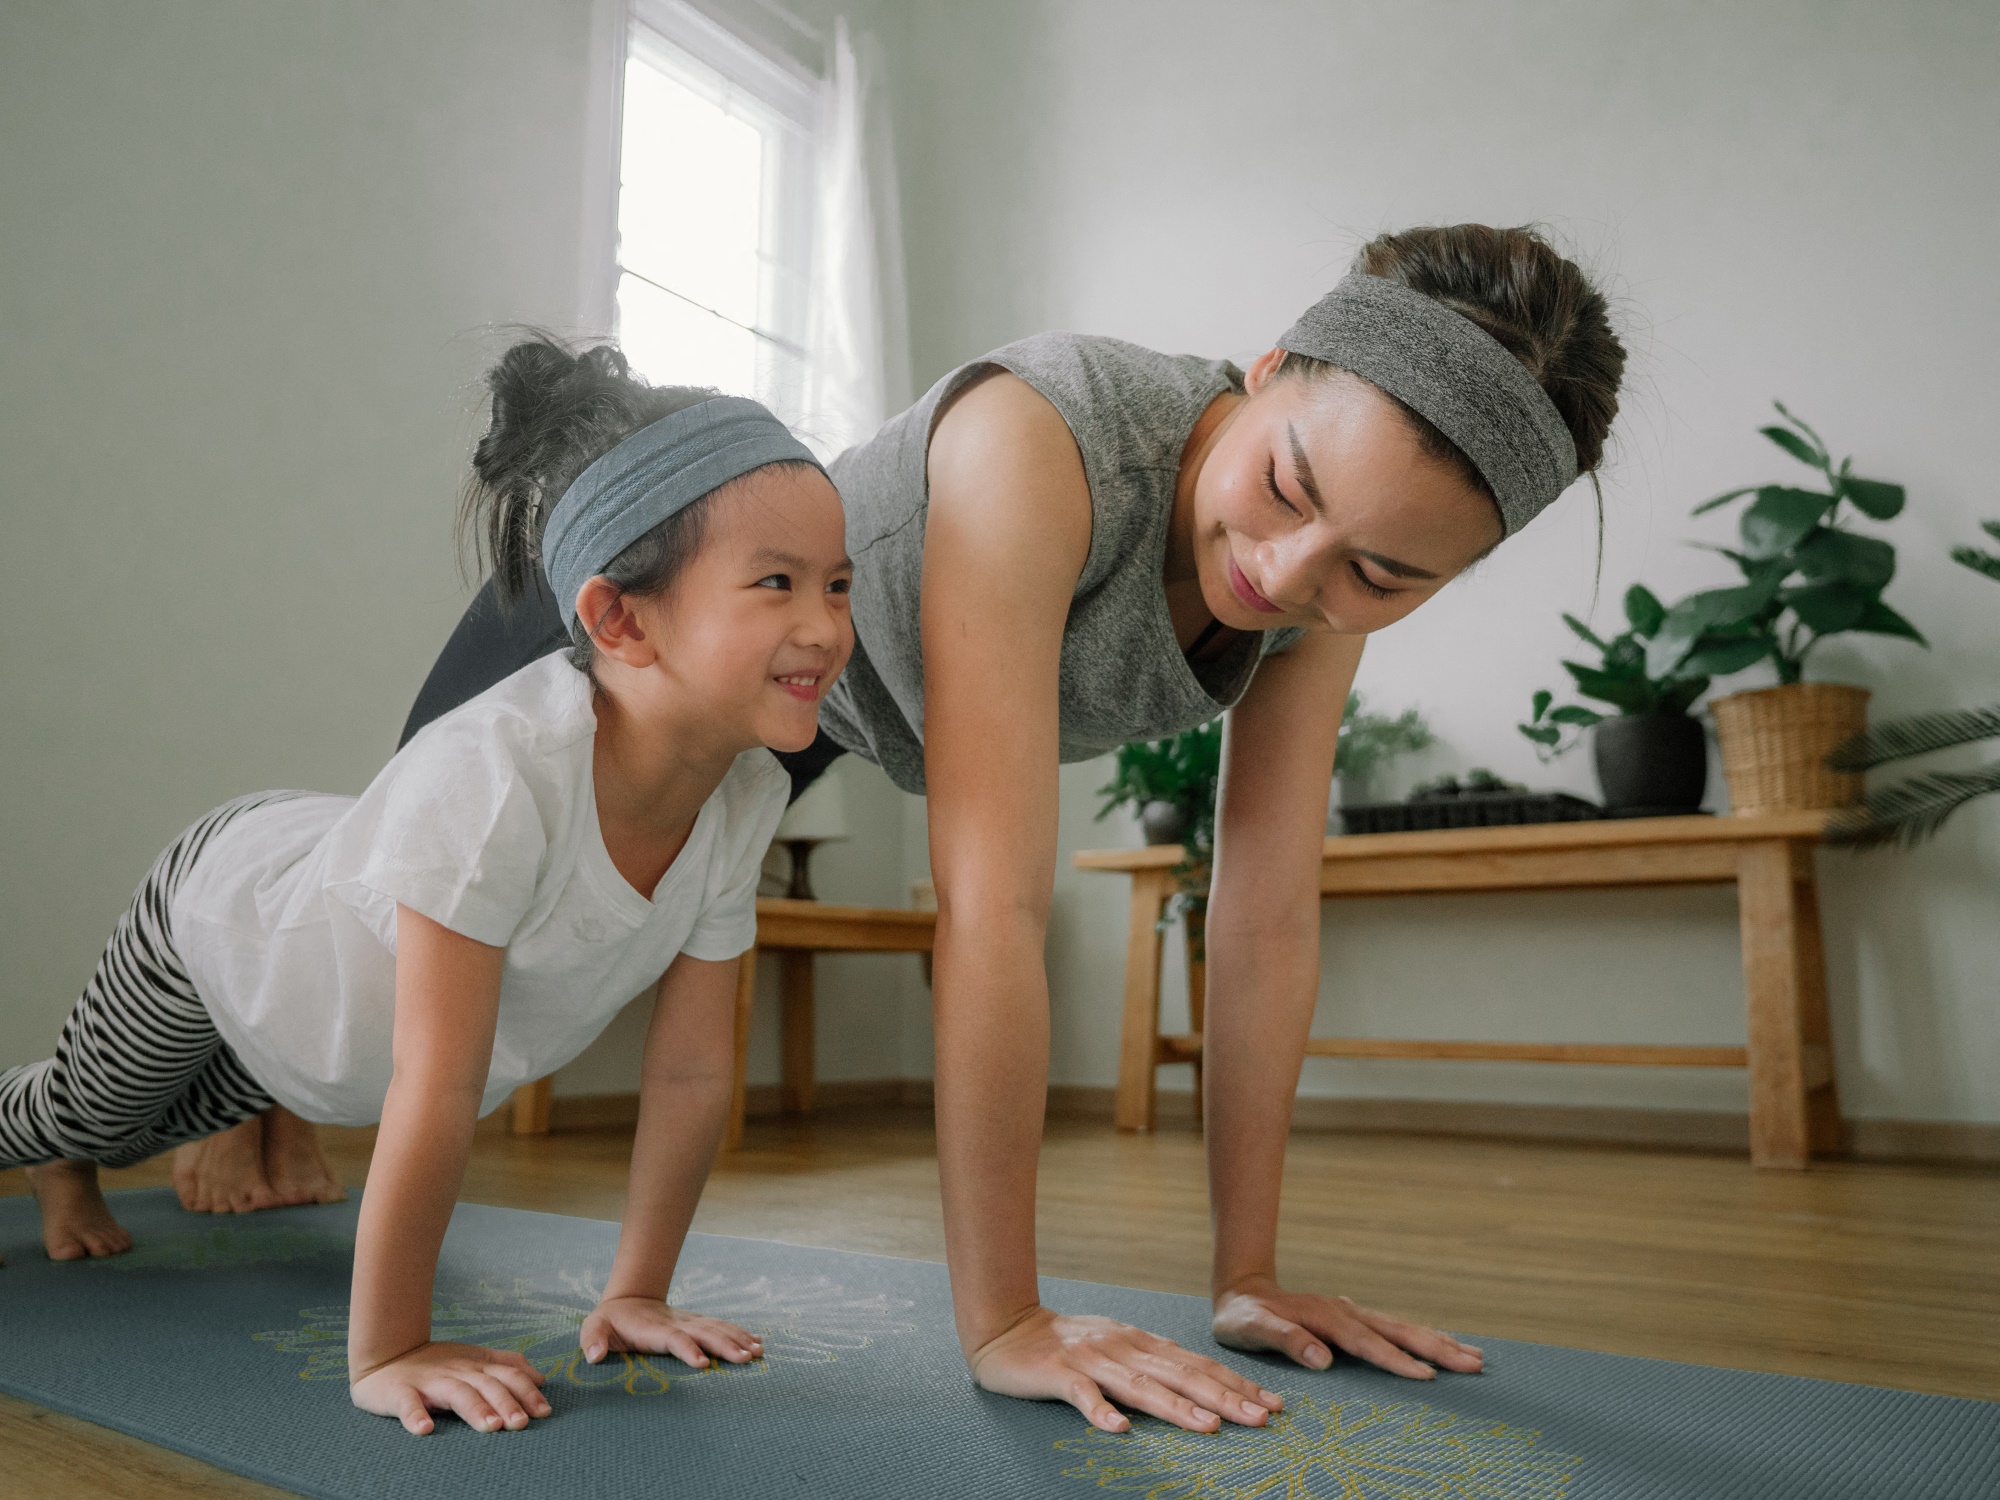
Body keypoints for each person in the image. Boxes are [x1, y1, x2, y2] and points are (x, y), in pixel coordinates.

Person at [230, 222, 1629, 1436]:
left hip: (813, 717)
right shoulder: (1049, 439)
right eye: (1286, 489)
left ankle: (285, 1119)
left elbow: (1263, 912)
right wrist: (1005, 1319)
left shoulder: (1312, 591)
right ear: (1267, 374)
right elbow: (996, 906)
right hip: (676, 634)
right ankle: (254, 1094)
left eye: (1382, 574)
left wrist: (1244, 1277)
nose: (1287, 575)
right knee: (380, 888)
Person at [0, 351, 856, 1437]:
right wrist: (393, 1346)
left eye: (838, 585)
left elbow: (689, 1070)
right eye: (776, 583)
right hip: (224, 917)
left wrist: (634, 1291)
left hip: (316, 1034)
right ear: (620, 622)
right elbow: (437, 1083)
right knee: (93, 1107)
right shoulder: (501, 773)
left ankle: (71, 1157)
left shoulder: (741, 795)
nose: (826, 627)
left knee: (173, 1112)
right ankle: (57, 1149)